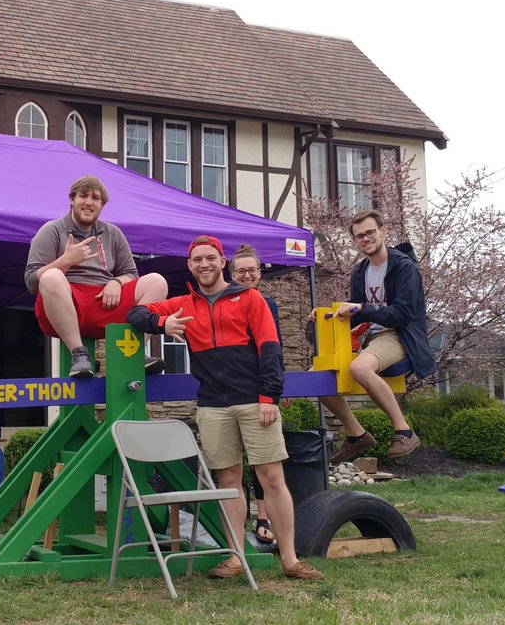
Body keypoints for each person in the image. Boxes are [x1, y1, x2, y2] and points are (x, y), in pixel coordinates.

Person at [128, 235, 322, 581]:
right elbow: (135, 313)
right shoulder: (183, 304)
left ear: (223, 263)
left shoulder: (250, 299)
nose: (204, 264)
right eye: (197, 260)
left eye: (210, 258)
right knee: (228, 480)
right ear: (189, 266)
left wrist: (268, 399)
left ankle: (290, 559)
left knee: (272, 478)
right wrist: (163, 324)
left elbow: (271, 351)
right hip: (213, 407)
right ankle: (236, 558)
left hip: (253, 403)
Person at [308, 209, 436, 465]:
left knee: (360, 368)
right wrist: (327, 315)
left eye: (370, 232)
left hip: (400, 335)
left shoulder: (403, 267)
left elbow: (402, 314)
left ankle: (404, 431)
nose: (366, 239)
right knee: (315, 377)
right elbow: (356, 313)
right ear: (354, 241)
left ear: (383, 231)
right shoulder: (360, 272)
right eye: (359, 236)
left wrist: (362, 309)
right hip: (373, 337)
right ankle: (357, 434)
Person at [24, 175, 168, 377]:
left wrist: (116, 282)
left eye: (96, 198)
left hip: (105, 302)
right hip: (68, 304)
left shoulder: (113, 233)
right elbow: (31, 282)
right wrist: (67, 260)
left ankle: (132, 354)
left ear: (102, 205)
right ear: (72, 199)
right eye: (83, 196)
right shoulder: (51, 230)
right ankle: (78, 353)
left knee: (157, 282)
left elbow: (131, 273)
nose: (89, 202)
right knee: (51, 276)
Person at [230, 245, 280, 547]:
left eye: (252, 270)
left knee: (263, 462)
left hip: (259, 391)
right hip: (228, 393)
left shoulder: (267, 303)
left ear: (260, 274)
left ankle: (264, 519)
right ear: (232, 274)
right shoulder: (223, 302)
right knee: (231, 466)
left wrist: (273, 390)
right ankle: (239, 526)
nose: (247, 275)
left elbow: (274, 346)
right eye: (241, 271)